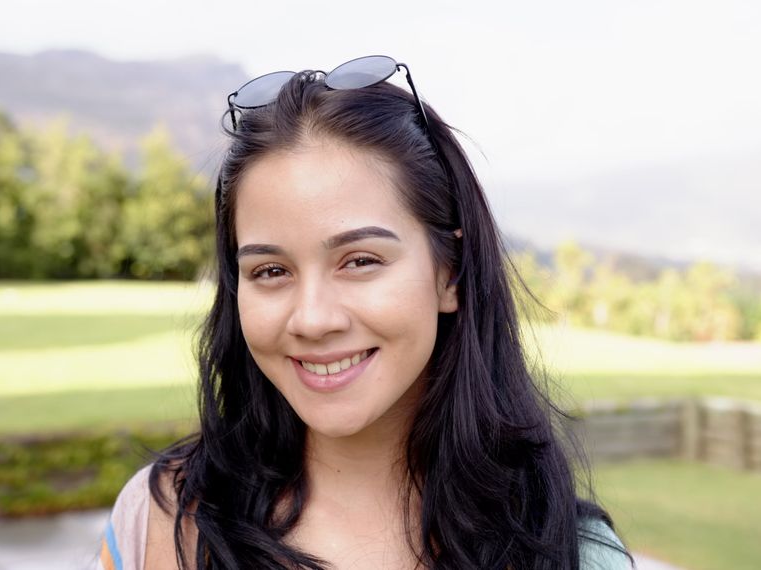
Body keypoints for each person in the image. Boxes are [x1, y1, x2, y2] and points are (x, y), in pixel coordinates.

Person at [98, 55, 633, 570]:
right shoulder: (161, 519)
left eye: (360, 261)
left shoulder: (566, 552)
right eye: (270, 271)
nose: (311, 319)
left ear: (450, 272)